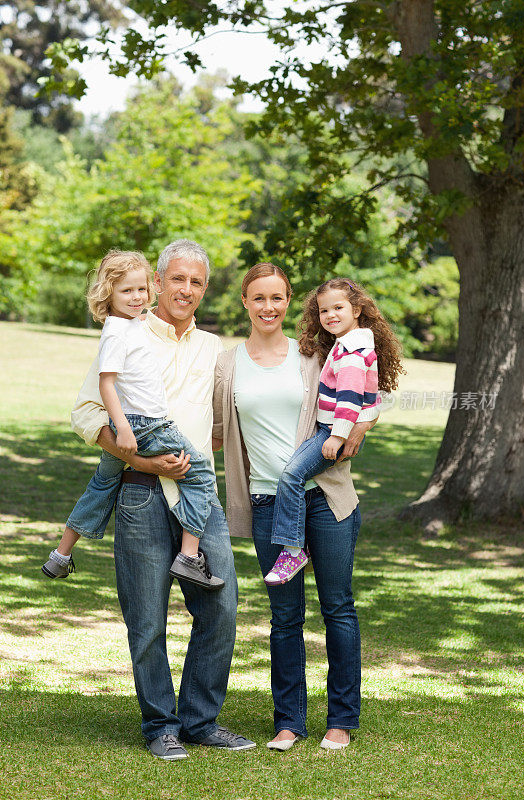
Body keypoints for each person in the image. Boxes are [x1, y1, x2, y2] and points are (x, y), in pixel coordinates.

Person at [69, 239, 255, 760]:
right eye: (178, 279)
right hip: (141, 495)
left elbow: (223, 421)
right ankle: (161, 725)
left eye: (197, 282)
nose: (187, 290)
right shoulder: (126, 333)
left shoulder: (212, 347)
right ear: (157, 281)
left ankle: (200, 720)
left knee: (221, 608)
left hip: (200, 498)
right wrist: (146, 461)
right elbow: (87, 413)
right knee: (147, 620)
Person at [212, 263, 380, 751]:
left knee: (338, 609)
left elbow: (366, 393)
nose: (269, 307)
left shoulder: (315, 353)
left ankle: (341, 720)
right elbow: (219, 429)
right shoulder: (228, 364)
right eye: (259, 298)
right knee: (285, 617)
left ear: (289, 302)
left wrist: (356, 434)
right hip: (267, 503)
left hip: (325, 498)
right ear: (244, 301)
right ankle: (289, 722)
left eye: (278, 298)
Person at [42, 249, 224, 590]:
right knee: (199, 474)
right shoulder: (117, 333)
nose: (137, 297)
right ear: (108, 294)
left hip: (136, 425)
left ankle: (61, 554)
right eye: (127, 291)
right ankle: (189, 557)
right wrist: (128, 438)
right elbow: (104, 383)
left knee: (100, 484)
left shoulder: (135, 325)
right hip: (147, 425)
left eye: (141, 290)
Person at [263, 278, 403, 586]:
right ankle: (302, 543)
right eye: (324, 310)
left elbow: (351, 399)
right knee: (295, 475)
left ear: (356, 310)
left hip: (333, 431)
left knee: (291, 476)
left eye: (338, 308)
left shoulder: (352, 352)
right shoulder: (348, 345)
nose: (330, 315)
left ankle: (293, 550)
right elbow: (375, 396)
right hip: (333, 428)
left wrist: (338, 435)